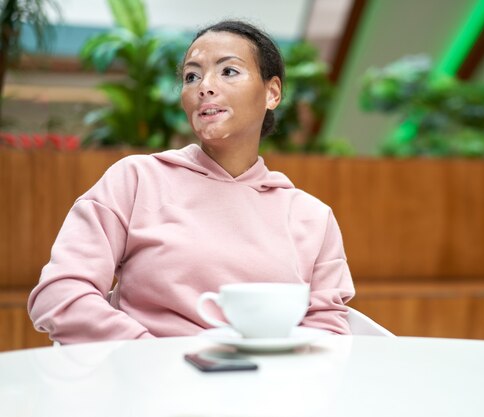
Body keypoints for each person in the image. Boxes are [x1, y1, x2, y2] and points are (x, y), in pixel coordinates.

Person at [27, 20, 355, 344]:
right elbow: (62, 294)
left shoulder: (313, 217)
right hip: (146, 385)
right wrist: (148, 356)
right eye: (191, 76)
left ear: (272, 93)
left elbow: (328, 332)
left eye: (228, 71)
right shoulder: (136, 180)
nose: (204, 86)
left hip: (265, 390)